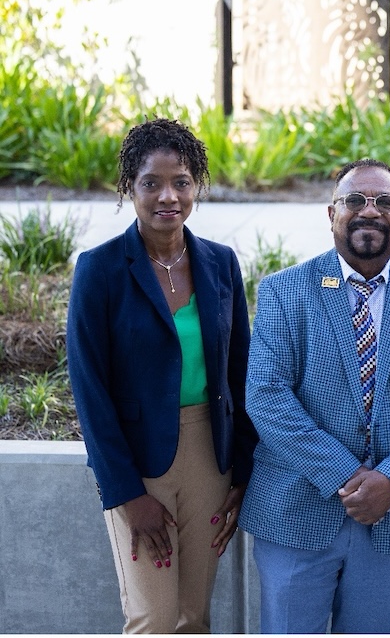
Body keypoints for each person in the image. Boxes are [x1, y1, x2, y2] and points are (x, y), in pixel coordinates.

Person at [238, 158, 390, 634]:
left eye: (385, 202)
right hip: (295, 515)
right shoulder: (284, 291)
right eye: (355, 200)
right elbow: (266, 396)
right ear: (331, 213)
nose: (370, 211)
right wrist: (347, 475)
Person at [66, 118, 257, 633]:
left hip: (209, 462)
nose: (167, 196)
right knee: (153, 618)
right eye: (152, 183)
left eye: (181, 182)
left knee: (194, 618)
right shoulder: (100, 270)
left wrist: (242, 471)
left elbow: (240, 370)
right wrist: (126, 493)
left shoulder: (220, 264)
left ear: (197, 185)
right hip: (138, 459)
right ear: (131, 188)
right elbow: (90, 391)